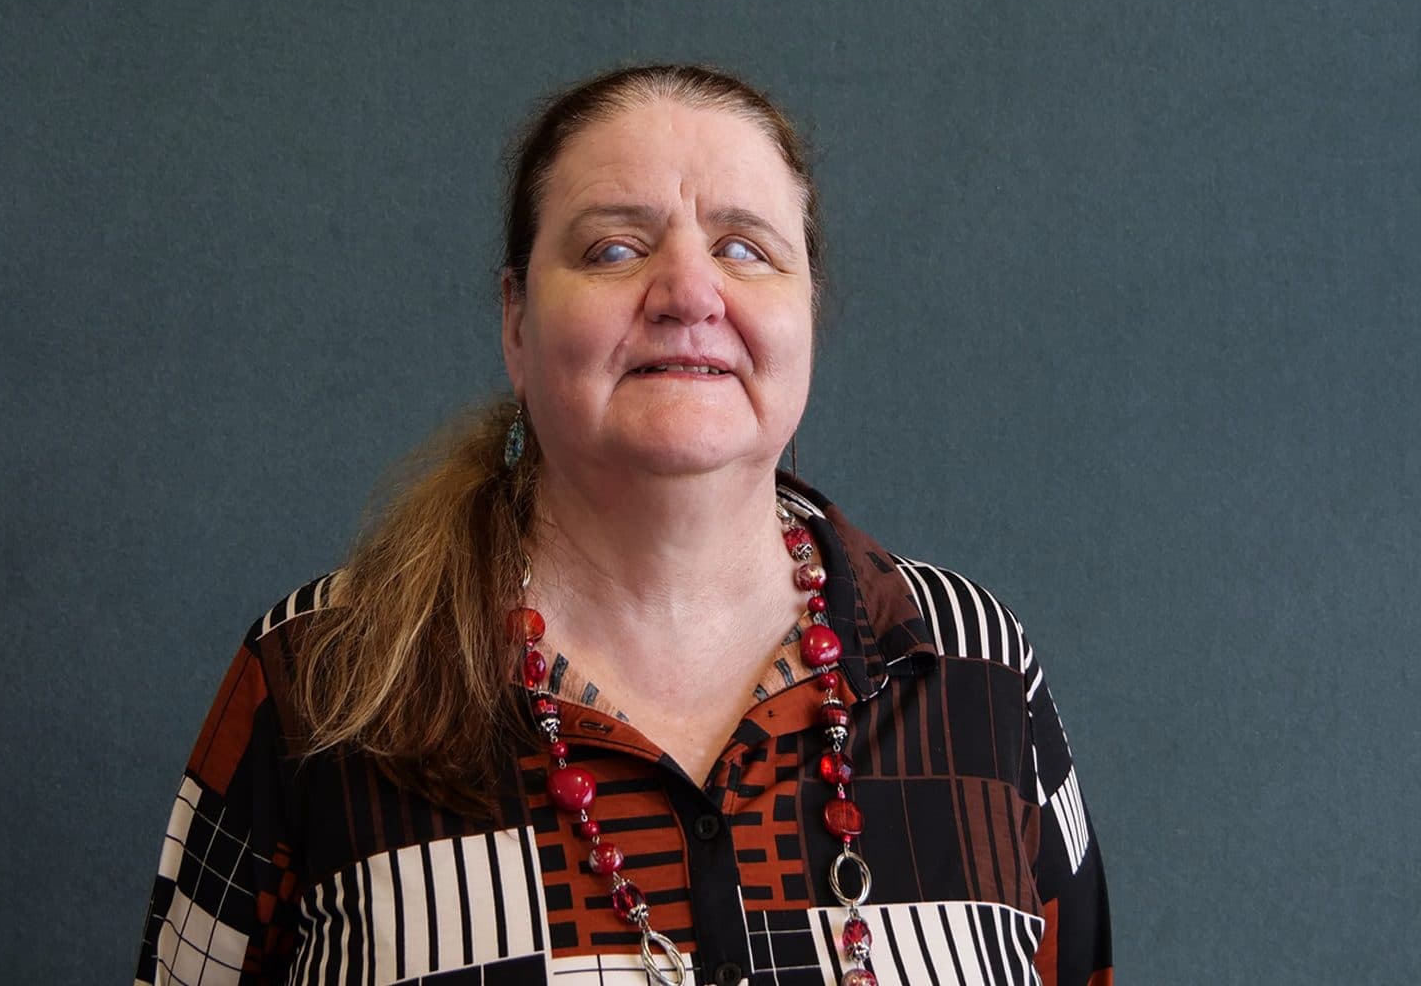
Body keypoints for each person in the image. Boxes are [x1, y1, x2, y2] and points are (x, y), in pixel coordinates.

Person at [136, 65, 1113, 986]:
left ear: (807, 309)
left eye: (745, 248)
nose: (690, 294)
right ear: (516, 322)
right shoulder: (321, 680)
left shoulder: (976, 670)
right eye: (614, 247)